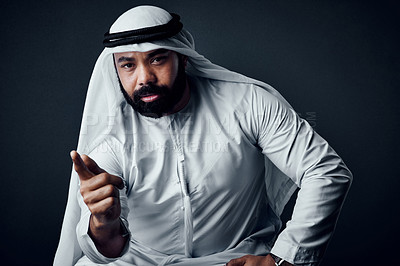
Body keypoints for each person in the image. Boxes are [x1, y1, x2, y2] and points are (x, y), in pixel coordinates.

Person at [54, 5, 352, 266]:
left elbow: (324, 170)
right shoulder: (111, 135)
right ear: (116, 70)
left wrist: (285, 260)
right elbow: (110, 251)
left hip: (233, 259)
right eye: (128, 64)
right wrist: (104, 222)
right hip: (139, 260)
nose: (143, 77)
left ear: (182, 57)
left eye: (157, 59)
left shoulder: (248, 103)